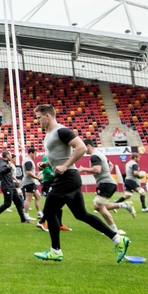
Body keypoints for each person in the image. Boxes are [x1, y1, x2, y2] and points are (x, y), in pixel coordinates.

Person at [31, 104, 130, 262]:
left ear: (47, 115)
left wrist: (65, 166)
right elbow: (60, 155)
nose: (37, 122)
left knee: (49, 212)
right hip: (70, 177)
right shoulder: (50, 134)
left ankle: (55, 251)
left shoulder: (61, 130)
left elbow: (81, 148)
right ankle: (118, 239)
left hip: (67, 177)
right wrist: (47, 164)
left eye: (38, 118)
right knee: (81, 214)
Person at [79, 139, 135, 235]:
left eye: (84, 148)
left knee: (99, 206)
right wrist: (106, 174)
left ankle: (114, 230)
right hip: (108, 183)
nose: (83, 150)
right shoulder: (100, 154)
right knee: (98, 206)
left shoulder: (94, 156)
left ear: (88, 146)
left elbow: (97, 170)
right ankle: (125, 205)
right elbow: (110, 165)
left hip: (106, 184)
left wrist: (83, 169)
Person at [0, 150, 28, 224]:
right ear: (7, 156)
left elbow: (9, 174)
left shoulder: (6, 163)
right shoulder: (2, 163)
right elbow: (2, 171)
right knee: (7, 203)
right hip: (6, 186)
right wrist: (8, 168)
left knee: (19, 202)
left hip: (11, 186)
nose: (11, 156)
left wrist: (15, 180)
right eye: (10, 155)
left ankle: (23, 219)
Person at [36, 155, 70, 232]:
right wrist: (54, 174)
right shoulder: (46, 157)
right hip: (48, 183)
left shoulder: (53, 156)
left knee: (58, 204)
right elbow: (45, 170)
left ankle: (59, 224)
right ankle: (42, 221)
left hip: (54, 182)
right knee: (53, 205)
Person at [21, 147, 43, 221]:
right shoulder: (28, 161)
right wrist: (37, 178)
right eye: (35, 153)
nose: (36, 155)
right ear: (31, 153)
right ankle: (26, 215)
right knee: (28, 199)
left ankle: (39, 213)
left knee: (38, 196)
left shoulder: (27, 160)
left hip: (31, 182)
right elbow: (28, 172)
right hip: (29, 182)